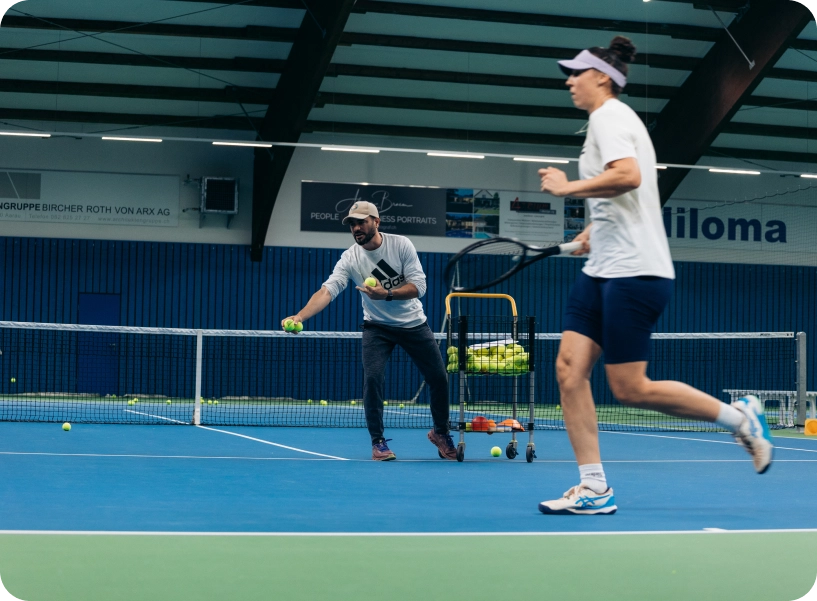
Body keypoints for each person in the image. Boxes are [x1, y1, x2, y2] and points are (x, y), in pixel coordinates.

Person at [536, 36, 773, 515]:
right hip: (602, 267)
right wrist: (591, 231)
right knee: (568, 370)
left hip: (636, 272)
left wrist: (569, 188)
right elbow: (622, 198)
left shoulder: (610, 116)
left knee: (630, 387)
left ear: (602, 77)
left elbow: (629, 176)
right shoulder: (603, 123)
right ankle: (595, 487)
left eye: (576, 73)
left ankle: (740, 418)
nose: (569, 80)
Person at [281, 201, 456, 461]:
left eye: (361, 222)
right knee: (373, 379)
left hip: (414, 324)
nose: (356, 228)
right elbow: (328, 290)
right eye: (352, 223)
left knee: (439, 378)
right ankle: (378, 443)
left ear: (376, 221)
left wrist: (386, 294)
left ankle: (440, 433)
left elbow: (419, 286)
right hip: (376, 327)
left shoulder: (401, 245)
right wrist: (300, 315)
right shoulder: (350, 258)